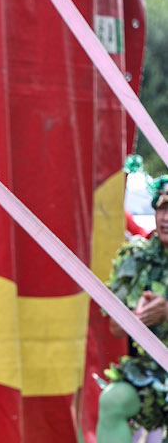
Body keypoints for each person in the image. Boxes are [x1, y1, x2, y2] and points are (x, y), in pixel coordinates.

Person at [96, 174, 168, 443]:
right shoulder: (136, 257)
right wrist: (137, 318)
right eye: (162, 207)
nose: (166, 218)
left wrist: (166, 313)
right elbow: (115, 328)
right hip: (149, 376)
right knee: (113, 399)